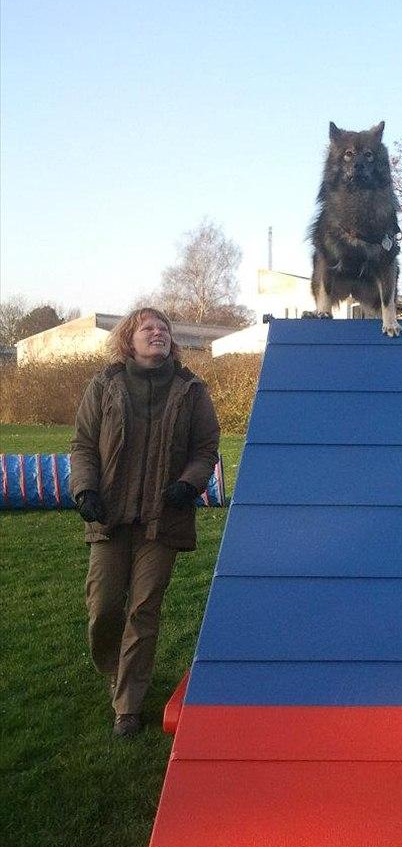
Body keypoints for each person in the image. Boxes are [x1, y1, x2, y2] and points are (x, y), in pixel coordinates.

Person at [70, 308, 220, 738]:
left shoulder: (191, 390)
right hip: (110, 515)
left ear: (171, 341)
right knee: (103, 608)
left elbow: (206, 447)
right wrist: (85, 491)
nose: (157, 333)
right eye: (147, 328)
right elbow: (82, 445)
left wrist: (189, 485)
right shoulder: (104, 385)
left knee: (143, 608)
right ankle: (117, 672)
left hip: (163, 516)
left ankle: (128, 707)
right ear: (129, 339)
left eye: (163, 329)